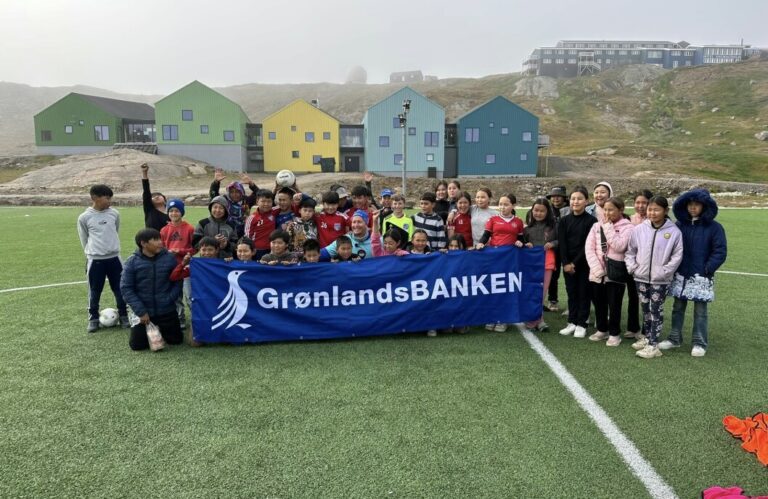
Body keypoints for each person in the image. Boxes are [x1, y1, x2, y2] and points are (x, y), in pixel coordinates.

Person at [661, 189, 727, 357]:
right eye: (690, 204)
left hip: (701, 275)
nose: (692, 207)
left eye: (696, 204)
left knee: (700, 311)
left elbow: (720, 251)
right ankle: (674, 338)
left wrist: (708, 268)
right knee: (677, 307)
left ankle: (699, 343)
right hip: (681, 273)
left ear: (704, 206)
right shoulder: (679, 225)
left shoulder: (715, 228)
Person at [625, 196, 683, 359]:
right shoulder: (640, 229)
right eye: (650, 209)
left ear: (666, 211)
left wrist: (665, 272)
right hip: (641, 277)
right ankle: (648, 338)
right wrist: (633, 268)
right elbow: (630, 251)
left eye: (657, 209)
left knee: (655, 310)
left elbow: (677, 256)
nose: (652, 213)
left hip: (660, 280)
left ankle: (653, 345)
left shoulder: (673, 232)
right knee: (645, 309)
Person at [77, 184, 129, 333]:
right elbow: (84, 239)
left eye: (110, 198)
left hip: (115, 259)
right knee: (94, 290)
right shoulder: (84, 217)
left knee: (120, 288)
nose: (109, 201)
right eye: (106, 198)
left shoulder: (114, 214)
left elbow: (115, 231)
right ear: (95, 198)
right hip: (95, 260)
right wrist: (93, 252)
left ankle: (124, 315)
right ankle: (93, 318)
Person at [121, 228, 183, 351]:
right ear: (143, 243)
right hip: (145, 313)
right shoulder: (132, 262)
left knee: (176, 341)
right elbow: (126, 288)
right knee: (137, 346)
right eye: (155, 240)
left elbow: (178, 280)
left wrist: (169, 299)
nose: (160, 242)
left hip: (166, 309)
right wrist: (141, 312)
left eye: (160, 239)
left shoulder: (169, 258)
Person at [585, 197, 634, 346]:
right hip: (597, 273)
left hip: (616, 273)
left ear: (621, 210)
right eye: (605, 209)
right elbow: (589, 248)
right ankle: (602, 329)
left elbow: (619, 246)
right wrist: (597, 269)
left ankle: (614, 333)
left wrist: (607, 227)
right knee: (599, 303)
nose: (607, 212)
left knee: (614, 305)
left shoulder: (628, 227)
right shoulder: (595, 226)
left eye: (611, 209)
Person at [476, 193, 524, 333]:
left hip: (510, 262)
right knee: (493, 288)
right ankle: (492, 317)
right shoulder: (493, 219)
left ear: (513, 206)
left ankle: (503, 319)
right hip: (494, 260)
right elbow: (486, 236)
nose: (502, 207)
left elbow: (521, 238)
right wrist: (480, 243)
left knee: (506, 289)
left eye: (506, 204)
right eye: (501, 204)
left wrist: (521, 243)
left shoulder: (518, 222)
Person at [558, 186, 597, 339]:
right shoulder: (564, 220)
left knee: (583, 293)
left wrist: (574, 263)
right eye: (573, 198)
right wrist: (566, 263)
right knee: (571, 293)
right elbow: (562, 243)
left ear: (586, 201)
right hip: (567, 265)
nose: (576, 201)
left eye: (579, 199)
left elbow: (588, 245)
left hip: (584, 264)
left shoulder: (592, 221)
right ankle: (572, 322)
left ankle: (582, 324)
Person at [523, 197, 558, 332]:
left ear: (547, 212)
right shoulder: (527, 229)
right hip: (530, 264)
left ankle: (539, 319)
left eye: (542, 211)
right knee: (531, 291)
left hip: (547, 263)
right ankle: (534, 318)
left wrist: (553, 244)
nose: (538, 213)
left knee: (542, 293)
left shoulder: (552, 227)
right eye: (536, 210)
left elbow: (560, 240)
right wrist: (527, 245)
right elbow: (522, 244)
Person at [159, 199, 195, 329]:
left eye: (177, 211)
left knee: (190, 294)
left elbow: (195, 248)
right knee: (175, 295)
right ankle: (180, 319)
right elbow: (161, 248)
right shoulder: (163, 230)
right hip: (171, 267)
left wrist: (180, 251)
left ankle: (196, 318)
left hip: (186, 267)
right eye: (171, 211)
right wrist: (167, 253)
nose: (174, 213)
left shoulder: (190, 228)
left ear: (182, 212)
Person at [624, 190, 653, 340]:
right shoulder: (629, 219)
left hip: (650, 268)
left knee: (647, 300)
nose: (640, 206)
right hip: (633, 267)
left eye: (644, 203)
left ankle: (646, 329)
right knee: (633, 297)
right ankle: (632, 327)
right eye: (637, 202)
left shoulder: (656, 219)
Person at [208, 168, 255, 238]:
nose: (234, 194)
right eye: (232, 192)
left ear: (241, 191)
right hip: (226, 233)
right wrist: (215, 183)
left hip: (243, 234)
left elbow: (260, 195)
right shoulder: (225, 200)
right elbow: (214, 196)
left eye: (237, 192)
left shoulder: (246, 201)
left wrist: (251, 184)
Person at [545, 186, 568, 311]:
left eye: (558, 196)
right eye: (553, 196)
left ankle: (572, 304)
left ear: (564, 198)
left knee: (569, 275)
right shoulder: (548, 210)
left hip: (568, 248)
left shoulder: (570, 209)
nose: (555, 198)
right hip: (552, 248)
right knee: (553, 275)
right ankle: (552, 300)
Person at [244, 189, 279, 260]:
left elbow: (287, 203)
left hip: (272, 249)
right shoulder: (252, 218)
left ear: (272, 202)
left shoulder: (274, 211)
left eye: (269, 201)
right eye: (263, 201)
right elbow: (247, 237)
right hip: (257, 250)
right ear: (257, 202)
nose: (266, 204)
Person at [140, 163, 169, 231]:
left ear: (164, 199)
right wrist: (145, 173)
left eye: (159, 195)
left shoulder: (171, 212)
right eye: (153, 196)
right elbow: (146, 191)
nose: (156, 197)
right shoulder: (149, 210)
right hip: (152, 239)